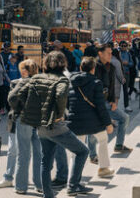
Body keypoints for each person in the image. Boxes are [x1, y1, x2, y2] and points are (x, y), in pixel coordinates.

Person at [11, 51, 91, 197]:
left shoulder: (36, 78)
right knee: (83, 151)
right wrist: (59, 115)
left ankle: (48, 194)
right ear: (63, 63)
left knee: (45, 161)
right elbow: (60, 95)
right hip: (55, 126)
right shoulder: (62, 79)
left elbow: (13, 96)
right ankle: (73, 185)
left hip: (41, 127)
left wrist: (24, 111)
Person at [0, 59, 44, 194]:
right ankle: (40, 184)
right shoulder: (42, 82)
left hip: (24, 119)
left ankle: (21, 186)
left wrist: (19, 108)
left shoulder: (21, 82)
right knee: (39, 154)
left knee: (24, 153)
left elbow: (12, 98)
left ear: (25, 70)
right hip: (39, 120)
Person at [68, 57, 115, 179]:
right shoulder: (96, 83)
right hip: (93, 121)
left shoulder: (71, 81)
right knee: (103, 139)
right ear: (93, 69)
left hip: (75, 121)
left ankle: (74, 175)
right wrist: (108, 123)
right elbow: (100, 106)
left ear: (80, 68)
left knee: (77, 149)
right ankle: (103, 168)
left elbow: (68, 102)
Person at [98, 43, 132, 154]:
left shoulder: (111, 65)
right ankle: (93, 154)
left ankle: (118, 145)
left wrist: (112, 100)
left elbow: (111, 85)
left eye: (111, 53)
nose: (110, 55)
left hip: (107, 100)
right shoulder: (95, 66)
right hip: (98, 101)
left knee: (124, 118)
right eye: (108, 53)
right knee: (95, 127)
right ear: (100, 53)